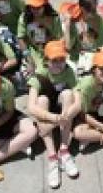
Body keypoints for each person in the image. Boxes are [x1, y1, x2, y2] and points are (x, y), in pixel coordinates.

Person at [27, 40, 80, 189]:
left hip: (61, 111)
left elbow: (78, 102)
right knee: (42, 100)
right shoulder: (38, 76)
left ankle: (63, 149)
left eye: (62, 59)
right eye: (54, 60)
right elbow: (31, 107)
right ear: (46, 61)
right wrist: (55, 119)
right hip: (48, 114)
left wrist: (66, 115)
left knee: (68, 94)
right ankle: (52, 156)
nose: (59, 63)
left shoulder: (69, 71)